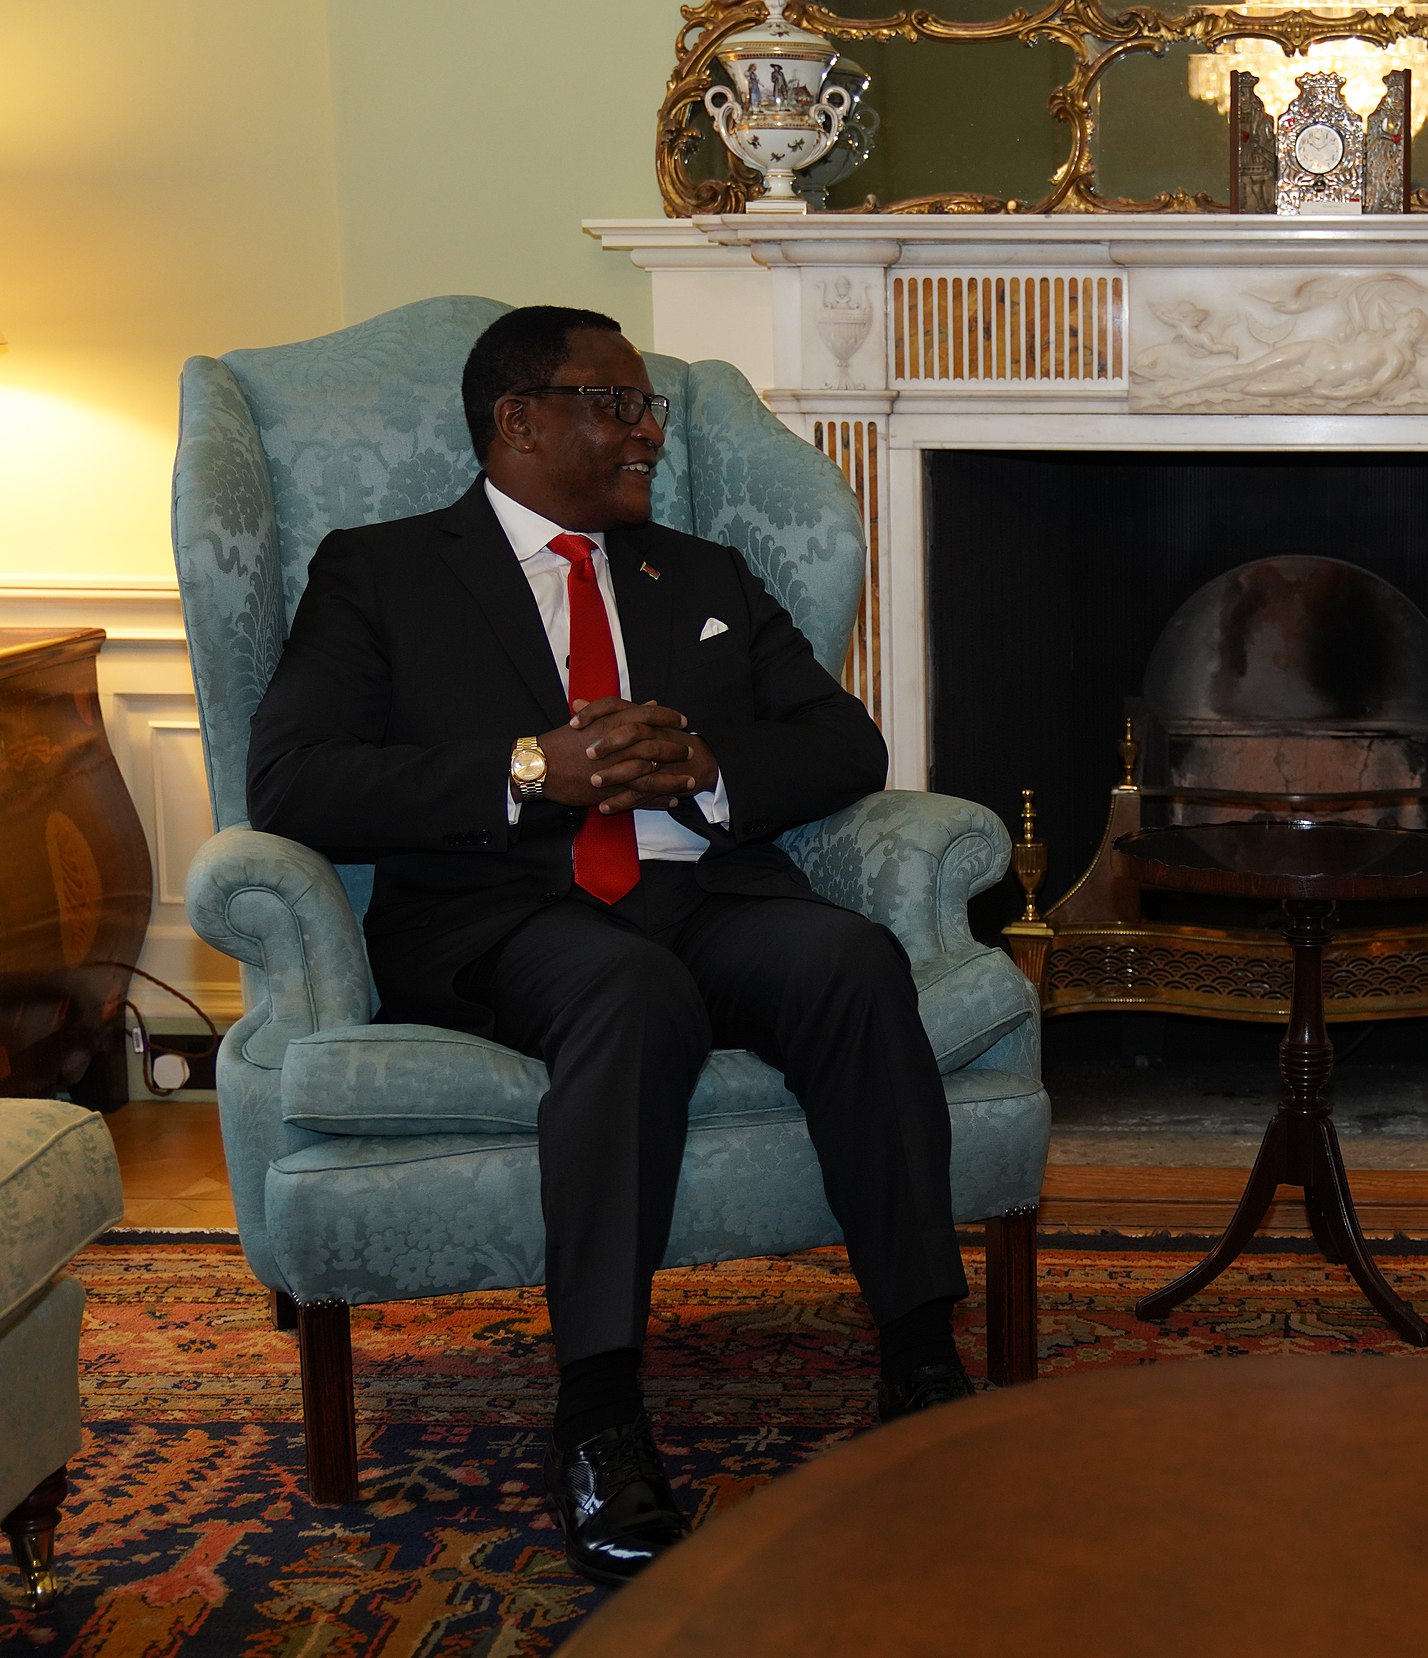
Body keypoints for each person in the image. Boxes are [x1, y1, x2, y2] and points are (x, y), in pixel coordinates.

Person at [246, 306, 972, 1585]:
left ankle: (922, 1360)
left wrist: (703, 764)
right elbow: (295, 780)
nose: (648, 431)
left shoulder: (700, 575)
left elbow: (843, 742)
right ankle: (599, 1412)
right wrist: (533, 766)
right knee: (628, 992)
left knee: (850, 960)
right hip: (503, 913)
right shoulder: (382, 571)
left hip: (704, 893)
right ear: (517, 421)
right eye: (616, 404)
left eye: (652, 411)